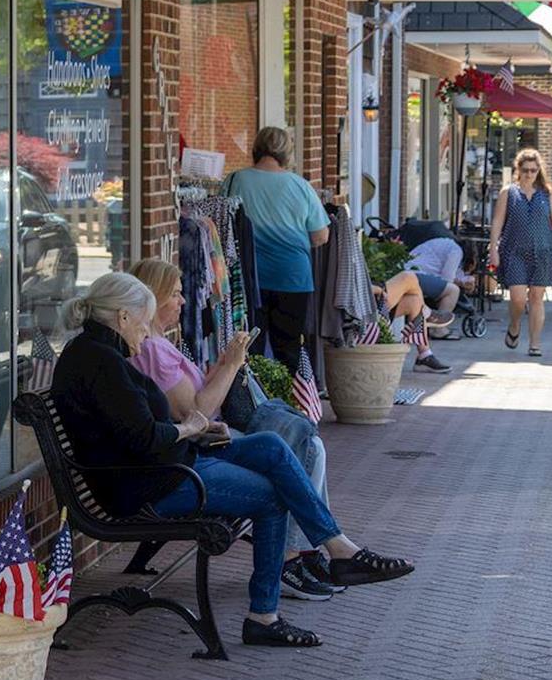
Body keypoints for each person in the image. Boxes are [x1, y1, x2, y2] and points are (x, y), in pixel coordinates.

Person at [49, 271, 414, 649]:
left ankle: (340, 548)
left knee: (271, 445)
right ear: (123, 317)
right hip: (151, 483)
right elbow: (143, 437)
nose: (145, 335)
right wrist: (191, 428)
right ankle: (263, 616)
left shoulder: (99, 353)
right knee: (273, 498)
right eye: (143, 325)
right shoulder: (100, 362)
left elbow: (137, 429)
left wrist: (201, 432)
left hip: (167, 463)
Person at [128, 259, 343, 600]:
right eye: (176, 294)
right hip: (193, 453)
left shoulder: (159, 343)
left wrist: (222, 366)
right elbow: (196, 412)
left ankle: (307, 552)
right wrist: (231, 365)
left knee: (306, 446)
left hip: (200, 443)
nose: (184, 301)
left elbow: (197, 403)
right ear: (153, 298)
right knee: (304, 452)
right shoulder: (152, 351)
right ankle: (295, 557)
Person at [225, 127, 329, 369]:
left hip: (251, 281)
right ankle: (291, 401)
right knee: (290, 348)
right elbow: (321, 235)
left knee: (250, 349)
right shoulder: (301, 186)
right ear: (287, 153)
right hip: (293, 277)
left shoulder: (235, 180)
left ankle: (254, 402)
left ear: (256, 149)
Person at [487, 146, 552, 357]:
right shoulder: (509, 192)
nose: (529, 174)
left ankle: (535, 343)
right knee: (518, 298)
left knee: (537, 298)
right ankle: (514, 324)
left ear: (539, 170)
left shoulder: (547, 193)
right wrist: (493, 248)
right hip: (514, 251)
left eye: (533, 170)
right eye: (526, 170)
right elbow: (497, 222)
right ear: (518, 169)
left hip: (542, 251)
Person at [370, 269, 451, 373]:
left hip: (369, 309)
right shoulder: (344, 259)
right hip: (362, 314)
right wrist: (379, 289)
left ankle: (424, 356)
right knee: (408, 277)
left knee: (414, 301)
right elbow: (350, 289)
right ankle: (427, 314)